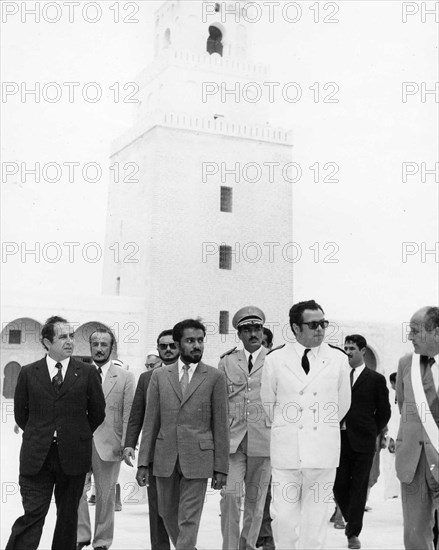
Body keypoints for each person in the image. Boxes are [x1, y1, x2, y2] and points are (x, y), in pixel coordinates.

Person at [6, 316, 106, 550]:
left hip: (73, 457)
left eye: (71, 336)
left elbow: (98, 413)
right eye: (63, 337)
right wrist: (42, 433)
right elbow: (22, 415)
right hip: (36, 457)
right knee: (32, 514)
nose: (70, 341)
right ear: (46, 342)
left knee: (68, 519)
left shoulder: (87, 373)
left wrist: (75, 434)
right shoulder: (29, 373)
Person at [261, 300, 351, 550]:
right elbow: (268, 403)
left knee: (316, 524)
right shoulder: (275, 359)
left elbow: (342, 405)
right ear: (295, 328)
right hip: (287, 452)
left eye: (323, 323)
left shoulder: (338, 360)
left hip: (322, 452)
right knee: (283, 520)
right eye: (313, 324)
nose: (320, 329)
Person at [136, 319, 229, 550]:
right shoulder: (159, 376)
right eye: (190, 341)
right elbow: (151, 421)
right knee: (166, 512)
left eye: (200, 341)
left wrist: (221, 467)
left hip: (198, 458)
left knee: (189, 518)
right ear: (178, 344)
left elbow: (221, 425)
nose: (196, 345)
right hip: (164, 456)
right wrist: (143, 463)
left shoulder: (215, 377)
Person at [77, 328, 135, 550]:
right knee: (77, 492)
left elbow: (129, 413)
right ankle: (81, 535)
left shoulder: (125, 377)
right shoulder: (78, 373)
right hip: (80, 444)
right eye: (95, 344)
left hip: (109, 444)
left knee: (105, 495)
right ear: (90, 347)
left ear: (112, 348)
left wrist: (127, 444)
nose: (99, 348)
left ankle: (102, 541)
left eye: (104, 344)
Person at [219, 306, 271, 550]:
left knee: (256, 502)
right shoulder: (227, 361)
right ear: (239, 334)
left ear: (263, 331)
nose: (253, 333)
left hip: (264, 439)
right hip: (234, 440)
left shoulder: (275, 360)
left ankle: (247, 546)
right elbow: (218, 403)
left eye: (257, 328)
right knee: (230, 495)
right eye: (247, 329)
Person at [123, 329, 180, 550]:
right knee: (157, 508)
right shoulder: (147, 379)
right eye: (162, 346)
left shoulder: (191, 375)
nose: (167, 349)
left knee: (182, 509)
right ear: (157, 349)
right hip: (157, 453)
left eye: (171, 345)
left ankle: (184, 545)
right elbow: (137, 413)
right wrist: (130, 443)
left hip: (187, 453)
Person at [333, 335, 391, 550]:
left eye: (352, 348)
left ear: (363, 351)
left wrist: (372, 430)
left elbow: (384, 411)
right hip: (339, 440)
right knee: (338, 485)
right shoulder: (338, 376)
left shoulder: (375, 379)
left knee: (358, 487)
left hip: (364, 442)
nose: (348, 352)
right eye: (346, 348)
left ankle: (352, 533)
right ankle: (350, 517)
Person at [395, 306, 439, 550]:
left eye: (415, 331)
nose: (409, 336)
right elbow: (404, 407)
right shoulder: (405, 364)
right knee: (414, 534)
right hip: (413, 461)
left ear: (437, 333)